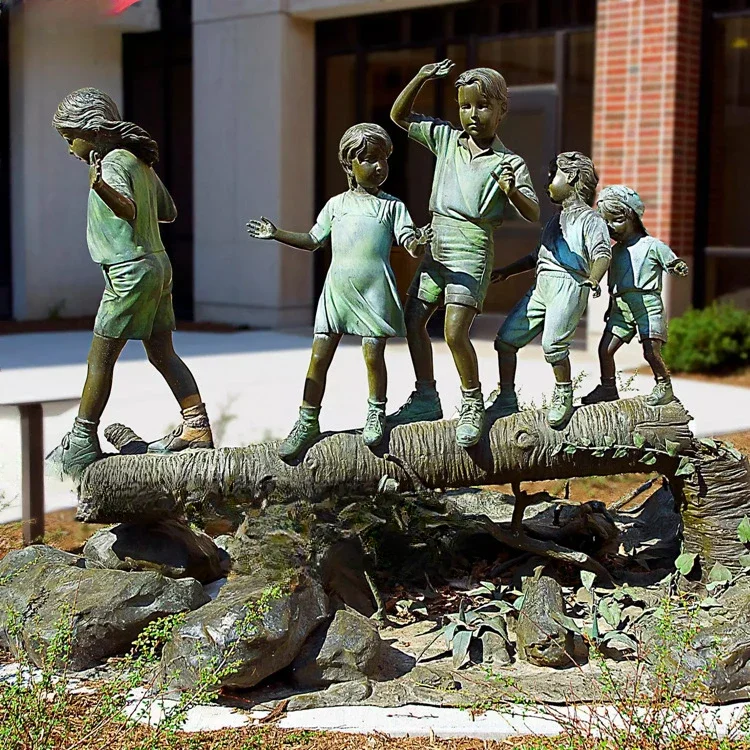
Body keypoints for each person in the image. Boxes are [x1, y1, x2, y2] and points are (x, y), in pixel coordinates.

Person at [50, 87, 213, 479]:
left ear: (91, 131)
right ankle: (196, 427)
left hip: (129, 273)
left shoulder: (111, 164)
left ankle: (82, 442)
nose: (68, 147)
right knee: (162, 353)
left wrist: (101, 186)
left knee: (99, 359)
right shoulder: (139, 163)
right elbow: (169, 212)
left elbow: (130, 209)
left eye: (69, 137)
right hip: (158, 265)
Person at [247, 123, 429, 461]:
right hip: (338, 291)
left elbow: (410, 243)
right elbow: (314, 240)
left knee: (373, 354)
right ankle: (307, 419)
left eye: (384, 160)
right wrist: (277, 233)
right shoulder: (336, 206)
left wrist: (419, 243)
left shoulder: (393, 207)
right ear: (349, 165)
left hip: (374, 291)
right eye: (369, 159)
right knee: (319, 357)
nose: (379, 167)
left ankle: (376, 412)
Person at [388, 60, 539, 448]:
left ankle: (473, 402)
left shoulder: (509, 162)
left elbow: (535, 212)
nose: (473, 115)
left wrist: (512, 191)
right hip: (436, 243)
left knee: (455, 331)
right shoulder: (446, 140)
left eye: (483, 106)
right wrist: (421, 76)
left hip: (471, 249)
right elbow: (399, 115)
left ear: (502, 110)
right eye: (465, 106)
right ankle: (426, 396)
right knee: (413, 318)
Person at [490, 152, 611, 428]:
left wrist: (594, 278)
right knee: (506, 340)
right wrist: (507, 271)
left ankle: (563, 394)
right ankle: (506, 397)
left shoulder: (591, 220)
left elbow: (603, 253)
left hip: (569, 284)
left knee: (553, 345)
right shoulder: (553, 222)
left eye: (552, 175)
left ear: (570, 177)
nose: (547, 182)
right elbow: (537, 255)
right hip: (541, 285)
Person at [581, 184, 689, 406]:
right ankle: (608, 387)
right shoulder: (614, 251)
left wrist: (677, 266)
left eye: (616, 220)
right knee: (605, 349)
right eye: (606, 223)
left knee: (650, 351)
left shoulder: (652, 246)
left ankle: (664, 386)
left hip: (647, 305)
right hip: (621, 308)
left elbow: (672, 262)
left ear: (632, 217)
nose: (610, 227)